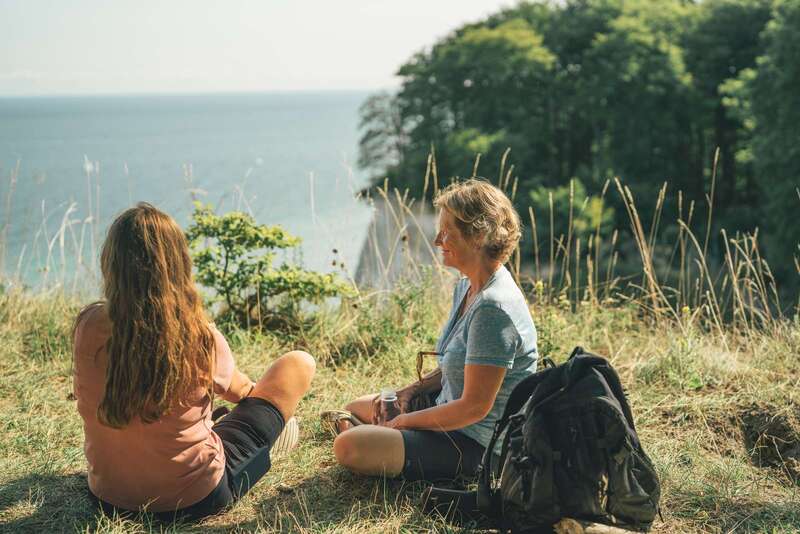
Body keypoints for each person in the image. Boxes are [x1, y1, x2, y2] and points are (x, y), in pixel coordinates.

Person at [72, 202, 316, 521]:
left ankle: (219, 428)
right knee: (299, 363)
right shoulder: (196, 334)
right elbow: (242, 391)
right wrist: (262, 415)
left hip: (108, 499)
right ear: (178, 265)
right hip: (197, 499)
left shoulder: (89, 325)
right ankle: (272, 437)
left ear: (111, 263)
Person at [326, 179, 538, 482]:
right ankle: (384, 441)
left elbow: (474, 408)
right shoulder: (468, 285)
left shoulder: (494, 308)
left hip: (476, 444)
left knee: (349, 444)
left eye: (447, 231)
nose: (438, 240)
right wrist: (411, 390)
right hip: (447, 410)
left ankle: (389, 448)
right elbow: (464, 363)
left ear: (477, 236)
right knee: (356, 409)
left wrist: (403, 423)